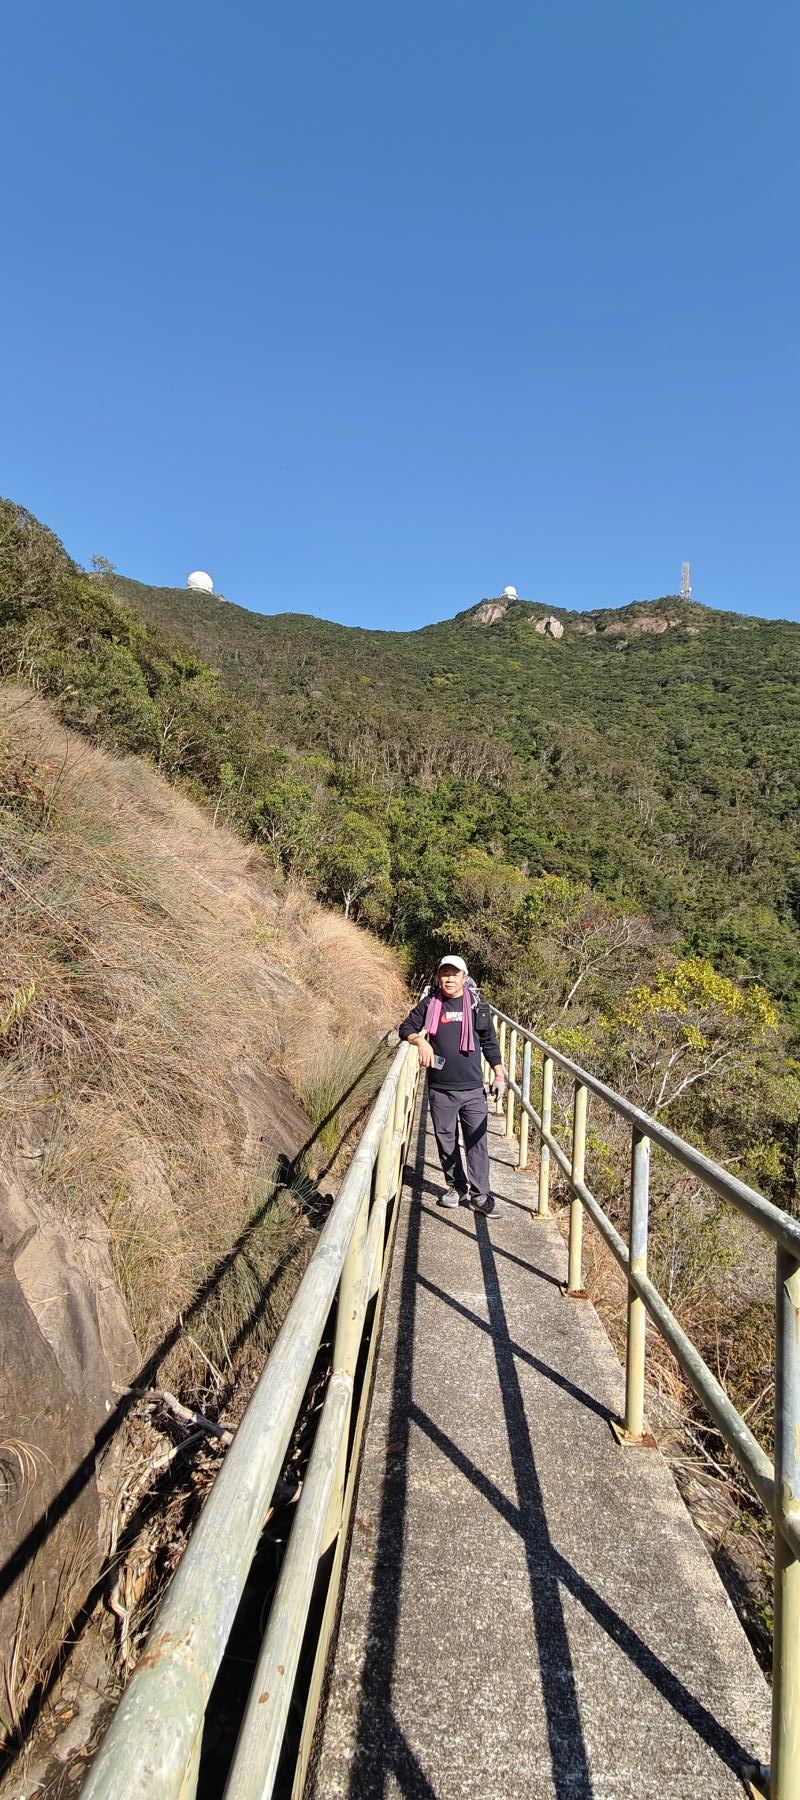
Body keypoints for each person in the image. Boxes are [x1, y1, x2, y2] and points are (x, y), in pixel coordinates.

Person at [399, 955, 506, 1215]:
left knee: (477, 1142)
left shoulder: (477, 1006)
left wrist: (499, 1075)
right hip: (440, 1089)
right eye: (444, 974)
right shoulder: (430, 1004)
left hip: (473, 1089)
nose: (449, 979)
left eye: (454, 974)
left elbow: (489, 1042)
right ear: (439, 977)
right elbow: (406, 1027)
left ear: (464, 977)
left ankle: (481, 1195)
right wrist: (420, 1041)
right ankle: (456, 1187)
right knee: (446, 1141)